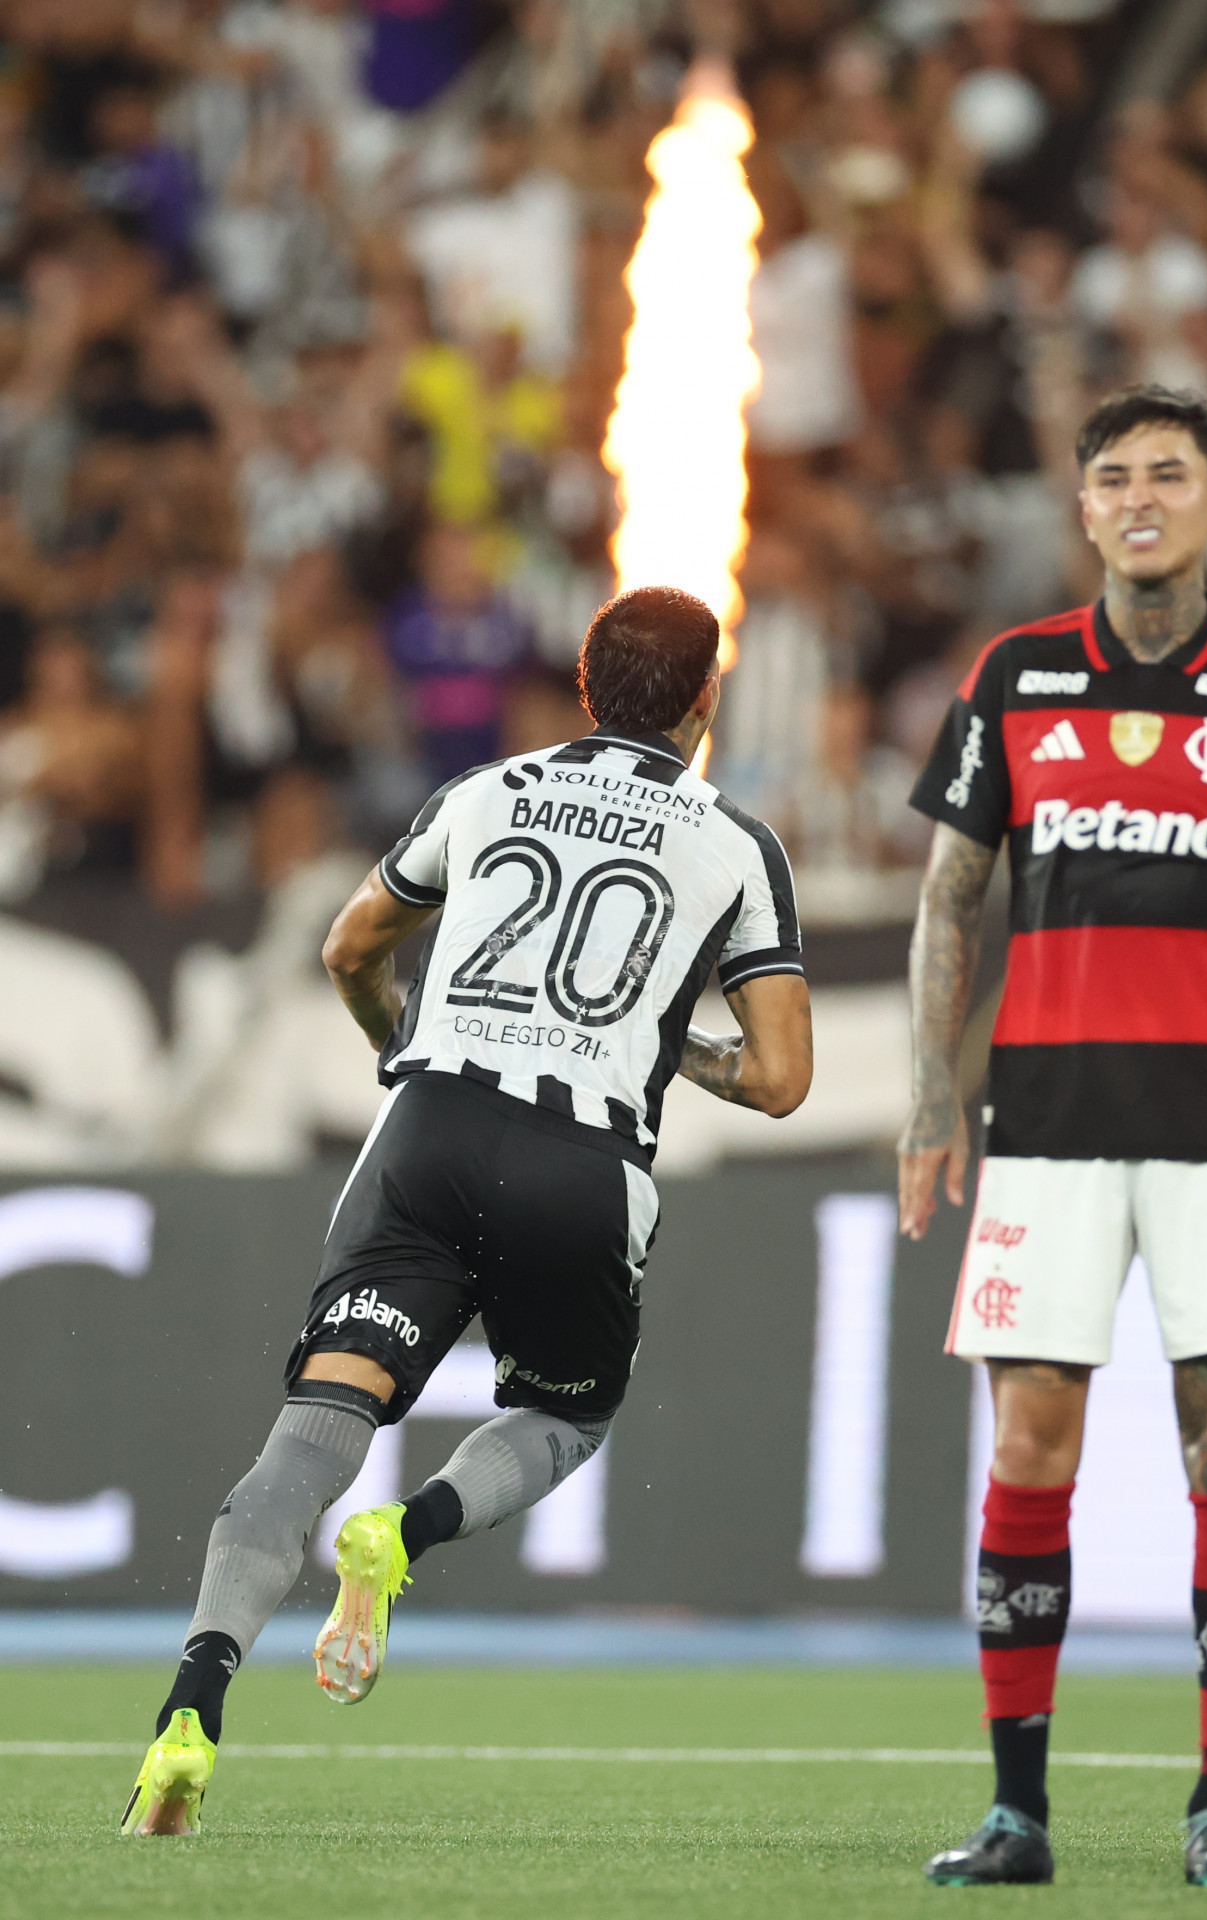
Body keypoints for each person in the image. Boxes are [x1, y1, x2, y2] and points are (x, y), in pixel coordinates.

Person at [121, 584, 814, 1838]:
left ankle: (192, 1708)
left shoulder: (484, 793)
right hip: (580, 1162)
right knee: (564, 1414)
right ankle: (407, 1529)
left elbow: (347, 946)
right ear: (708, 698)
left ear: (587, 687)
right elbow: (779, 1078)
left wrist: (406, 1046)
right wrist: (665, 1043)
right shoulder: (737, 842)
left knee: (310, 1435)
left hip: (428, 1133)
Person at [899, 385, 1207, 1890]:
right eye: (1115, 477)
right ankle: (1017, 1813)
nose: (1142, 498)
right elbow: (947, 900)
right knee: (1030, 1451)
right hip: (1044, 1128)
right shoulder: (1017, 674)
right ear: (1086, 508)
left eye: (1170, 473)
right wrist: (931, 1102)